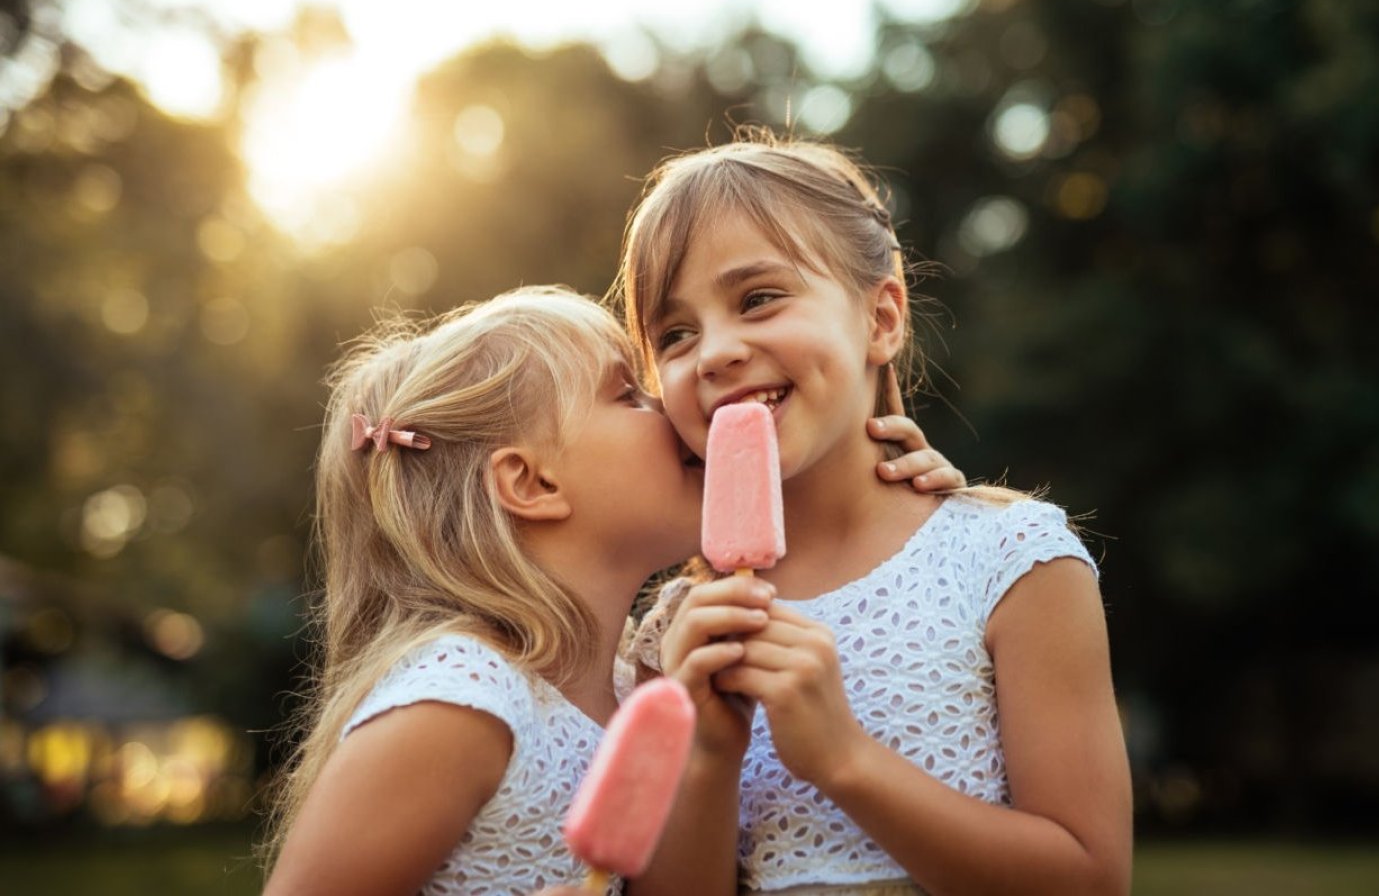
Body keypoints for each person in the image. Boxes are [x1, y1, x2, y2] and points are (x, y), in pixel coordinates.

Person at [260, 285, 963, 896]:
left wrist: (888, 499)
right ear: (533, 484)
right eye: (627, 394)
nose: (668, 405)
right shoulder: (463, 698)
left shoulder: (637, 685)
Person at [615, 133, 1133, 895]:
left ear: (882, 318)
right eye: (675, 335)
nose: (716, 351)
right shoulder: (679, 627)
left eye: (758, 298)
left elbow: (1092, 879)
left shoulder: (1011, 560)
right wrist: (709, 754)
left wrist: (843, 759)